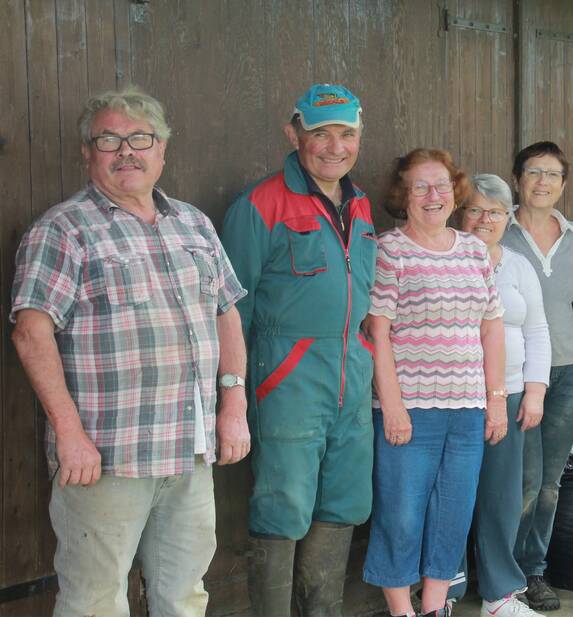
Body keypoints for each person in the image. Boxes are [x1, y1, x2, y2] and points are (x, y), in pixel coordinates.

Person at [10, 86, 249, 616]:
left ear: (162, 149)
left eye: (140, 138)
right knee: (95, 602)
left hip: (189, 450)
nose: (126, 152)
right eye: (109, 139)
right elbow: (31, 332)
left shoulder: (193, 224)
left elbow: (226, 311)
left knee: (185, 595)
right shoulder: (63, 229)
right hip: (105, 460)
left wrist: (233, 406)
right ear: (87, 153)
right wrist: (69, 435)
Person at [220, 84, 375, 616]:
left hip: (351, 380)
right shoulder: (260, 205)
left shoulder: (360, 204)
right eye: (319, 133)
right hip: (286, 381)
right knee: (282, 508)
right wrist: (233, 393)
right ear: (294, 134)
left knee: (346, 501)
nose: (335, 146)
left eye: (346, 133)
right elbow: (229, 311)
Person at [363, 149, 506, 617]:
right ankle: (401, 611)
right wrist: (393, 405)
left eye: (441, 185)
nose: (432, 195)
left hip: (467, 409)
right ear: (403, 195)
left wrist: (496, 399)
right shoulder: (389, 250)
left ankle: (435, 608)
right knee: (401, 516)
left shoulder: (472, 250)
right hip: (411, 408)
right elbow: (378, 332)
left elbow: (491, 327)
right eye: (420, 186)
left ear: (455, 192)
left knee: (453, 514)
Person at [502, 141, 573, 612]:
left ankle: (533, 571)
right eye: (534, 172)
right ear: (518, 178)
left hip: (571, 371)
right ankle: (505, 572)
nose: (542, 182)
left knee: (550, 481)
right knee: (524, 479)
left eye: (553, 174)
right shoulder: (499, 233)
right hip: (516, 379)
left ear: (563, 183)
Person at [459, 175, 551, 617]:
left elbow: (537, 330)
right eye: (474, 210)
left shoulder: (517, 265)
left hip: (510, 397)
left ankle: (499, 594)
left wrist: (534, 391)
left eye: (495, 212)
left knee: (502, 497)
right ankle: (446, 591)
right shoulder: (446, 258)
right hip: (453, 398)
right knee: (450, 494)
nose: (484, 219)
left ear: (509, 217)